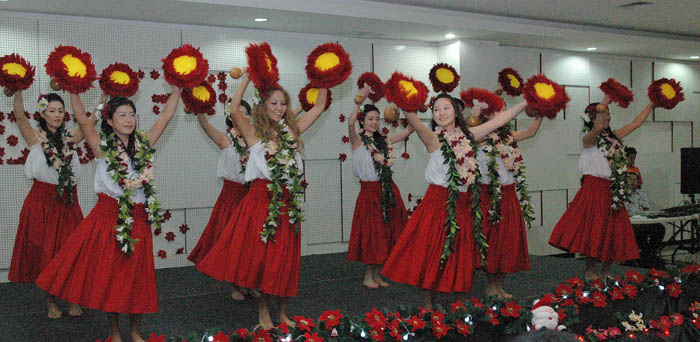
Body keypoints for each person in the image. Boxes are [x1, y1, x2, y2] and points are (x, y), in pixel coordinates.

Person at [36, 88, 182, 342]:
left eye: (132, 115)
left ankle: (135, 330)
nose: (129, 119)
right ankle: (114, 331)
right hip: (110, 216)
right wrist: (72, 88)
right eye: (122, 115)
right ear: (110, 120)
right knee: (114, 278)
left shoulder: (143, 143)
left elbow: (165, 118)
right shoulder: (102, 147)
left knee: (138, 278)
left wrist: (178, 87)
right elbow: (83, 119)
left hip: (138, 218)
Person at [196, 68, 329, 329]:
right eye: (274, 103)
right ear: (263, 105)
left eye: (283, 104)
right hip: (261, 201)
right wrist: (247, 78)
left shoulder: (293, 131)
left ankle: (282, 313)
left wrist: (325, 79)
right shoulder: (254, 133)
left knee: (285, 260)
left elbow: (320, 105)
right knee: (266, 260)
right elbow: (234, 110)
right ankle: (264, 312)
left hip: (288, 203)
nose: (279, 108)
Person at [381, 93, 528, 308]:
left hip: (463, 203)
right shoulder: (433, 138)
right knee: (432, 252)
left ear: (456, 112)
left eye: (445, 108)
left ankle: (455, 302)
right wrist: (405, 99)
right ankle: (428, 307)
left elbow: (499, 120)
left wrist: (526, 101)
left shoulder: (469, 136)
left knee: (459, 253)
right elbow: (413, 119)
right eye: (436, 109)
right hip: (437, 202)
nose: (440, 113)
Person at [8, 90, 101, 318]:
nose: (57, 115)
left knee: (71, 252)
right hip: (42, 202)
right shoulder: (35, 138)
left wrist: (104, 96)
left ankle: (71, 299)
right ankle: (50, 302)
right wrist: (18, 88)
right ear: (43, 113)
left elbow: (91, 122)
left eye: (60, 110)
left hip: (68, 201)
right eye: (52, 110)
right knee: (46, 253)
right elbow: (20, 116)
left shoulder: (70, 138)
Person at [549, 97, 655, 281]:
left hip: (611, 190)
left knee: (615, 232)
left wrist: (652, 104)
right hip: (593, 189)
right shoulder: (588, 139)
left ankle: (606, 271)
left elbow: (636, 123)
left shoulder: (614, 139)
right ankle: (590, 272)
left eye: (609, 115)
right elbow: (597, 128)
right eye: (604, 116)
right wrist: (604, 102)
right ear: (594, 118)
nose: (608, 119)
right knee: (593, 231)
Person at [187, 99, 260, 300]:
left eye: (246, 112)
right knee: (233, 242)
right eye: (239, 112)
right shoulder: (225, 140)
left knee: (251, 243)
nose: (243, 116)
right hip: (231, 196)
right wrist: (199, 109)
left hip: (252, 195)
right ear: (231, 116)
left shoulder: (256, 140)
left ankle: (249, 283)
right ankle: (235, 286)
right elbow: (204, 124)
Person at [347, 85, 412, 288]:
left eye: (377, 119)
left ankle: (377, 275)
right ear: (363, 121)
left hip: (386, 190)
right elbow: (350, 123)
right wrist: (361, 98)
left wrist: (410, 110)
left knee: (384, 232)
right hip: (369, 193)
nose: (374, 122)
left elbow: (404, 133)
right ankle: (368, 276)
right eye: (370, 119)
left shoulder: (383, 142)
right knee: (372, 234)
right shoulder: (358, 142)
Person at [476, 102, 543, 299]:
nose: (503, 113)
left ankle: (500, 285)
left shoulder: (508, 137)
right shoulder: (479, 137)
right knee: (492, 241)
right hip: (488, 195)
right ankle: (490, 285)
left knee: (507, 241)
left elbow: (530, 132)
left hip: (508, 194)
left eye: (504, 110)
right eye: (498, 110)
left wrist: (542, 114)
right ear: (486, 115)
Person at [626, 172, 665, 268]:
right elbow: (628, 211)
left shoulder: (641, 193)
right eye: (630, 180)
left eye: (635, 180)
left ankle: (650, 252)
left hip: (643, 221)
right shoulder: (623, 194)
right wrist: (640, 212)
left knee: (659, 228)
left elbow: (646, 208)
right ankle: (645, 254)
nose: (632, 182)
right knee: (640, 232)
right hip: (630, 223)